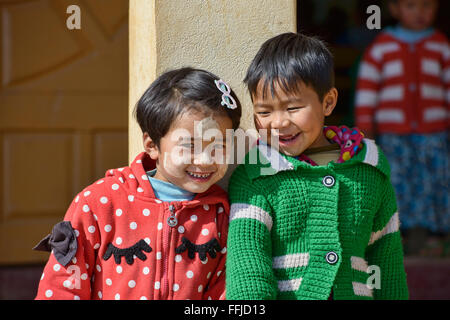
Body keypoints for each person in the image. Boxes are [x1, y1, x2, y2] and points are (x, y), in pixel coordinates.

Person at [225, 32, 409, 300]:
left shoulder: (370, 170)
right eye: (264, 112)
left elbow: (386, 260)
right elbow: (248, 271)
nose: (278, 123)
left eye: (293, 108)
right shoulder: (255, 177)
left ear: (328, 102)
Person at [34, 67, 242, 300]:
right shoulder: (98, 204)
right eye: (190, 145)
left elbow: (223, 291)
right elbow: (63, 286)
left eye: (219, 146)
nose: (205, 160)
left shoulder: (222, 214)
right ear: (152, 144)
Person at [354, 0, 449, 255]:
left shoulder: (441, 46)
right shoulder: (381, 47)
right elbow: (367, 90)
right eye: (411, 6)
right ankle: (400, 237)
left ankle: (432, 237)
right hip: (393, 135)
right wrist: (365, 129)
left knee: (433, 182)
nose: (420, 12)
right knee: (398, 182)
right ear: (395, 9)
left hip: (434, 133)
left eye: (427, 6)